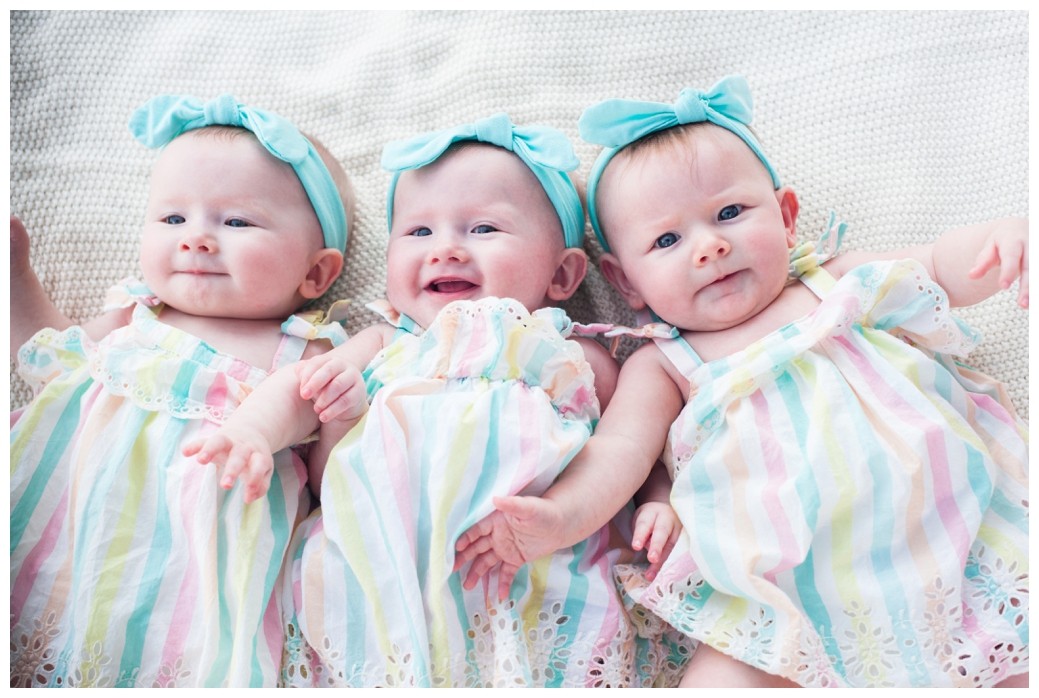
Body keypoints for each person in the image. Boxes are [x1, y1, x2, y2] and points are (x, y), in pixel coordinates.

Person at [454, 76, 1029, 688]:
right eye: (667, 240)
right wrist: (562, 516)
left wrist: (1002, 239)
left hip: (950, 532)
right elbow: (617, 455)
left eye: (730, 213)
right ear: (626, 284)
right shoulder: (664, 364)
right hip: (780, 588)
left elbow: (941, 265)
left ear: (785, 217)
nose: (709, 247)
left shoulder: (834, 284)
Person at [186, 113, 690, 687]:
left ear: (563, 274)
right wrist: (254, 430)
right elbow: (302, 390)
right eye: (419, 233)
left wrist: (658, 497)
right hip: (379, 583)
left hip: (531, 577)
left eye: (483, 229)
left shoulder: (572, 354)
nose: (445, 249)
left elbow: (631, 447)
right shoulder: (381, 343)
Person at [9, 94, 353, 688]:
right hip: (60, 530)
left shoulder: (307, 349)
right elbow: (46, 360)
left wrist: (343, 418)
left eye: (236, 221)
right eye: (173, 219)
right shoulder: (133, 314)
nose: (196, 238)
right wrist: (14, 277)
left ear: (316, 273)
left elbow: (332, 483)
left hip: (192, 578)